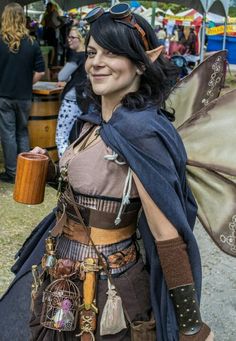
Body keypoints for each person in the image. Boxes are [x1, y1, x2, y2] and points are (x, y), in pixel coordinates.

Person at [0, 3, 215, 341]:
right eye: (92, 52)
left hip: (106, 289)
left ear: (146, 60)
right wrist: (51, 169)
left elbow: (167, 235)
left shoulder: (142, 133)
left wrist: (190, 325)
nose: (97, 62)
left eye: (112, 53)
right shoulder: (96, 122)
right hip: (62, 274)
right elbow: (97, 187)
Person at [0, 2, 45, 184]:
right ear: (22, 19)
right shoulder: (32, 42)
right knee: (22, 132)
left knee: (8, 134)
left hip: (3, 95)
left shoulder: (1, 41)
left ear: (5, 18)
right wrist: (28, 83)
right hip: (25, 96)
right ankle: (26, 170)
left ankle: (12, 172)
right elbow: (40, 71)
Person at [56, 26, 86, 158]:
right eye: (69, 37)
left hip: (72, 100)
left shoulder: (77, 56)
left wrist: (67, 79)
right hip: (85, 100)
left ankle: (64, 170)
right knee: (77, 137)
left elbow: (61, 76)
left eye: (73, 37)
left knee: (61, 137)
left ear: (81, 39)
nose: (69, 40)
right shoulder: (90, 55)